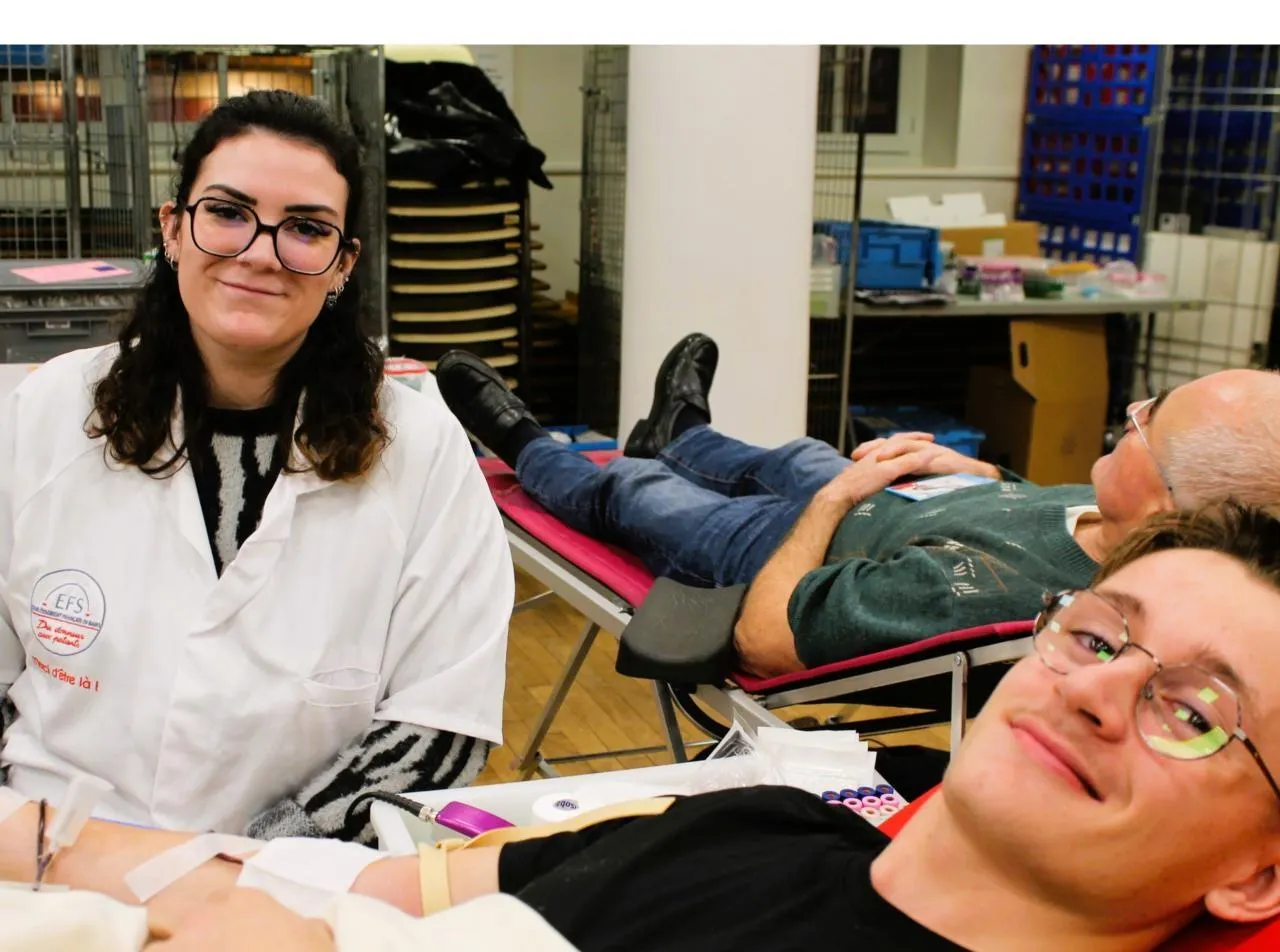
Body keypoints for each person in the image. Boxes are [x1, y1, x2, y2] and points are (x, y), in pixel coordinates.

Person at [23, 501, 1280, 952]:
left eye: (1190, 710)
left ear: (1257, 875)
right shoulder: (766, 822)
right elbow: (348, 887)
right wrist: (43, 840)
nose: (1094, 691)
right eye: (1095, 637)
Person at [0, 90, 513, 844]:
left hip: (295, 878)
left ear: (342, 264)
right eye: (227, 212)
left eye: (306, 228)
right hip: (48, 853)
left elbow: (441, 722)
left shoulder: (422, 449)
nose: (260, 252)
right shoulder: (45, 414)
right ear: (173, 228)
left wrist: (246, 874)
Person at [434, 335, 1280, 677]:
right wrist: (974, 473)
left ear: (1169, 504)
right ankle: (680, 431)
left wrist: (838, 498)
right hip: (891, 505)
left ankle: (522, 442)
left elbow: (769, 637)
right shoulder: (1112, 519)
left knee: (633, 489)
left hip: (787, 555)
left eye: (1147, 421)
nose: (1129, 414)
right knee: (797, 456)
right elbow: (1028, 516)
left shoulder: (1010, 601)